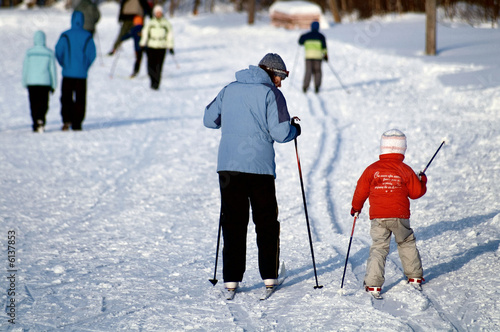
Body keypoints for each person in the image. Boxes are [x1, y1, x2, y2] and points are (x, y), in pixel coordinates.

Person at [203, 53, 301, 293]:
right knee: (266, 221)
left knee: (233, 221)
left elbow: (209, 119)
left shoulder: (229, 89)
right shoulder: (272, 94)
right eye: (280, 77)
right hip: (260, 169)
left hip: (229, 167)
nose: (280, 83)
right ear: (271, 72)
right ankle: (269, 275)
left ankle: (231, 279)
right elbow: (280, 133)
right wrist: (295, 129)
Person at [350, 129, 428, 298]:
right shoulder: (405, 170)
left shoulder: (372, 169)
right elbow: (415, 193)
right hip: (400, 215)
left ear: (383, 148)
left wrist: (356, 208)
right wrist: (422, 181)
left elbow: (360, 191)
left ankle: (373, 285)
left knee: (379, 247)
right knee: (406, 242)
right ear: (402, 149)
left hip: (378, 216)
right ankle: (414, 277)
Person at [55, 11, 96, 131]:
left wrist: (64, 64)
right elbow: (92, 54)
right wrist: (85, 66)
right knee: (80, 98)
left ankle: (66, 120)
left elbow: (58, 51)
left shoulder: (65, 35)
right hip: (81, 74)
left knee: (66, 97)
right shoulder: (87, 36)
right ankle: (77, 123)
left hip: (67, 72)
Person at [22, 30, 58, 133]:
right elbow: (52, 70)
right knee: (43, 103)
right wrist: (54, 84)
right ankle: (41, 119)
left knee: (33, 103)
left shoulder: (29, 53)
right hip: (45, 82)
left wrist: (24, 81)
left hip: (32, 82)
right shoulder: (49, 53)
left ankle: (36, 121)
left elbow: (25, 68)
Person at [139, 5, 174, 90]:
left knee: (159, 66)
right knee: (151, 65)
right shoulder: (150, 23)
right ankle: (152, 80)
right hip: (151, 46)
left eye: (160, 12)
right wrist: (142, 44)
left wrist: (170, 46)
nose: (158, 14)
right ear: (154, 13)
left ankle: (156, 84)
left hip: (162, 47)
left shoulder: (166, 23)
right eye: (157, 12)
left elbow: (170, 35)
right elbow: (145, 33)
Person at [298, 21, 328, 93]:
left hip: (308, 57)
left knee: (308, 71)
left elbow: (300, 42)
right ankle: (317, 87)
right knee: (317, 71)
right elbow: (324, 48)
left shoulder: (306, 35)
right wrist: (325, 56)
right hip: (318, 57)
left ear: (311, 27)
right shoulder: (321, 36)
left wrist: (301, 36)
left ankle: (305, 87)